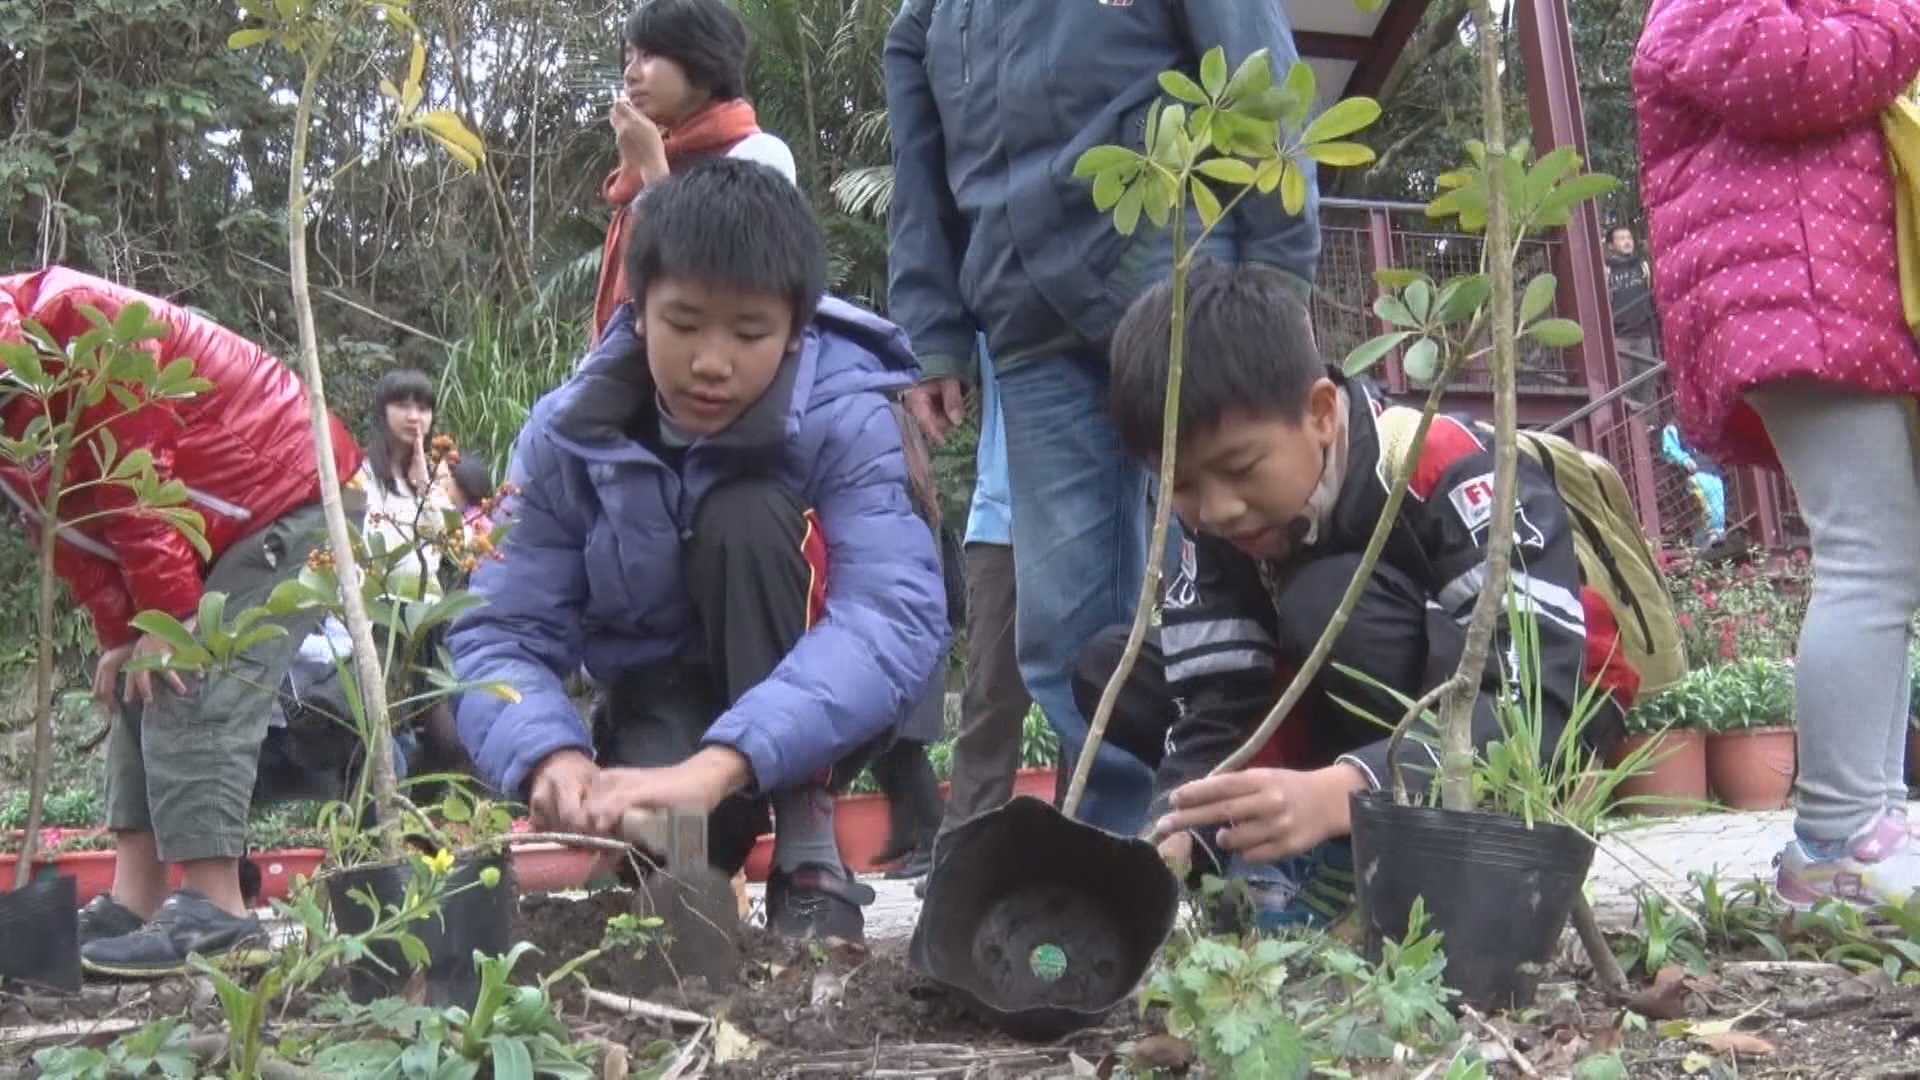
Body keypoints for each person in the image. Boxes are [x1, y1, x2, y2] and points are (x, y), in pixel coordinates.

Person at [450, 159, 949, 942]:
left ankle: (809, 852)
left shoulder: (847, 417)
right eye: (683, 323)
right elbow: (497, 630)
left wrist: (718, 767)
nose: (711, 362)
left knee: (747, 513)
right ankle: (688, 867)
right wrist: (550, 756)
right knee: (673, 879)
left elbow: (892, 616)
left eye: (749, 333)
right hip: (666, 693)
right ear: (640, 310)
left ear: (794, 329)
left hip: (815, 700)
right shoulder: (567, 435)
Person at [1074, 260, 1642, 927]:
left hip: (1538, 702)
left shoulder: (1446, 468)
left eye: (1238, 469)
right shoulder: (1219, 523)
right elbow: (1217, 707)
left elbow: (1532, 704)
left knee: (1329, 599)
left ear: (1318, 413)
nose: (1217, 509)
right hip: (1338, 706)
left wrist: (1343, 791)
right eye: (1182, 486)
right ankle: (1284, 847)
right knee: (1118, 665)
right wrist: (1178, 834)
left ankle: (1382, 846)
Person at [883, 0, 1320, 835]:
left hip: (1172, 267)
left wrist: (1275, 275)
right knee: (1060, 628)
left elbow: (1259, 75)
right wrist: (934, 335)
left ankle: (1287, 816)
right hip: (1027, 319)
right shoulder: (925, 22)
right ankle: (1132, 847)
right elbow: (921, 177)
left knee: (1247, 557)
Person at [1634, 0, 1920, 906]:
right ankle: (1835, 839)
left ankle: (1868, 814)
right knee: (1869, 554)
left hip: (1828, 298)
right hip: (1791, 297)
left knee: (1883, 558)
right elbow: (1783, 71)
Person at [0, 267, 360, 976]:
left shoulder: (83, 326)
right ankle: (135, 897)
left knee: (197, 674)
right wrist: (118, 633)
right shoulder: (13, 406)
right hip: (198, 521)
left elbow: (139, 488)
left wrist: (170, 620)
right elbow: (65, 522)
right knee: (138, 676)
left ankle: (217, 909)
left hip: (284, 492)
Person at [592, 0, 798, 340]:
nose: (630, 73)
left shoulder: (758, 154)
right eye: (629, 56)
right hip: (631, 362)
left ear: (703, 61)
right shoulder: (656, 154)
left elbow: (717, 279)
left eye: (648, 56)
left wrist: (653, 168)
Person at [354, 368, 456, 594]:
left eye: (423, 408)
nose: (414, 417)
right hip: (370, 606)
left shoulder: (433, 481)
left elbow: (452, 543)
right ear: (382, 413)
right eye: (402, 406)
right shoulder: (359, 474)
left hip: (426, 614)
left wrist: (423, 487)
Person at [1605, 225, 1661, 409]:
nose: (1627, 241)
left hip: (1644, 333)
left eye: (1629, 237)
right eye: (1621, 238)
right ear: (1611, 245)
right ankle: (1629, 429)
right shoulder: (1607, 272)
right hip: (1620, 336)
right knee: (1624, 385)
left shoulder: (1642, 267)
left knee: (1648, 383)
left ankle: (1650, 427)